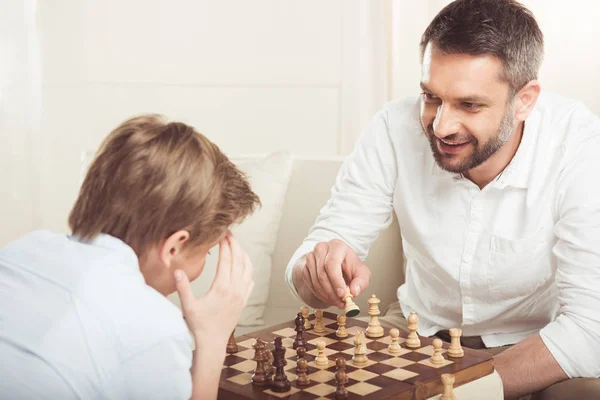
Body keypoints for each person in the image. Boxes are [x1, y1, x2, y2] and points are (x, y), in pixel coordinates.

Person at [285, 0, 600, 399]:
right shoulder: (392, 127)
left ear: (524, 100)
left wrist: (455, 392)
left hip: (536, 345)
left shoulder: (580, 144)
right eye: (431, 97)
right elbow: (322, 247)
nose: (441, 125)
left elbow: (591, 328)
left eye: (469, 104)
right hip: (420, 335)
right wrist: (316, 273)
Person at [0, 115, 261, 399]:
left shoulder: (21, 251)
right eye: (206, 252)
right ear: (173, 247)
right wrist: (213, 338)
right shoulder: (152, 328)